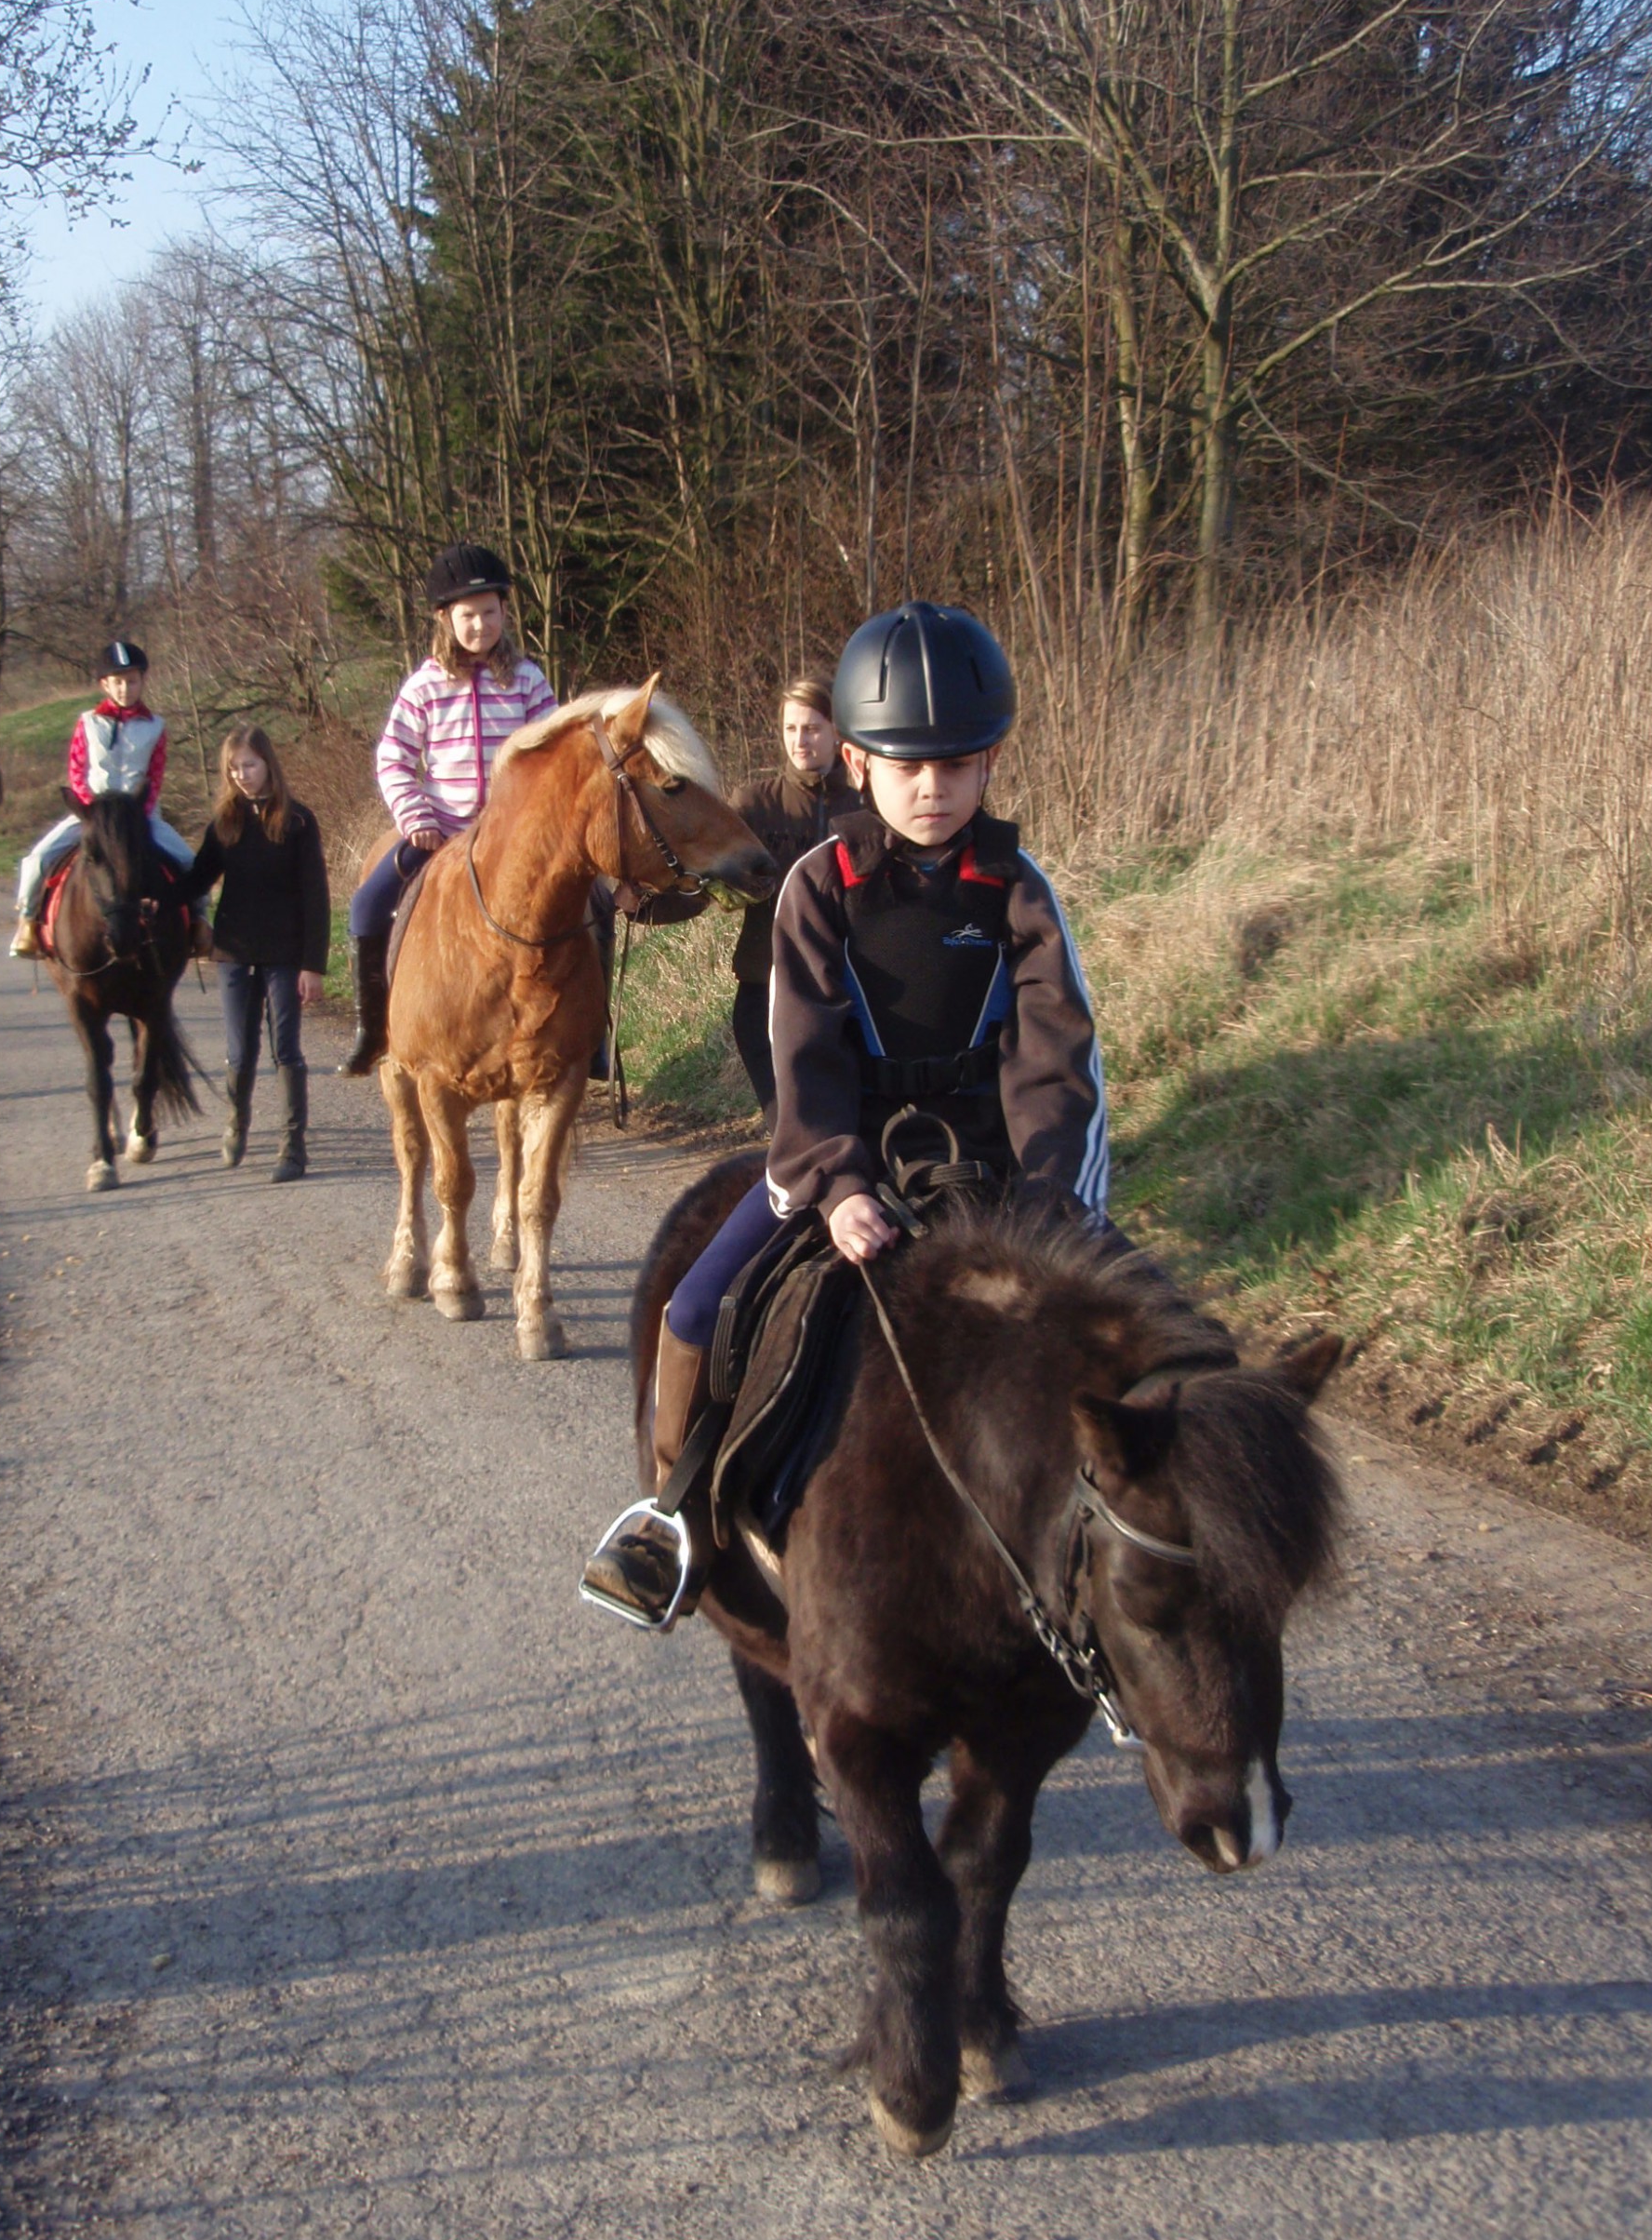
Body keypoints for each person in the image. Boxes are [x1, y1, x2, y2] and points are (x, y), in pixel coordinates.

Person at [581, 598, 1110, 1628]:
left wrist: (1049, 1203)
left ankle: (1138, 1581)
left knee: (1135, 1331)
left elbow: (1059, 1061)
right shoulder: (818, 886)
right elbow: (802, 1048)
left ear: (991, 761)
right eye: (907, 764)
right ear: (859, 763)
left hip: (999, 1167)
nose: (932, 787)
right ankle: (673, 1518)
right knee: (693, 1307)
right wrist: (838, 1184)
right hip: (840, 1150)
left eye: (956, 764)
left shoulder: (1021, 890)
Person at [344, 542, 556, 1074]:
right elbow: (393, 759)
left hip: (515, 841)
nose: (481, 625)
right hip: (440, 835)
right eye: (468, 615)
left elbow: (552, 755)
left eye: (490, 612)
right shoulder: (425, 687)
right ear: (445, 618)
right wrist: (417, 818)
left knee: (593, 908)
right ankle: (374, 1030)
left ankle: (591, 1041)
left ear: (504, 613)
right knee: (367, 907)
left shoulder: (527, 680)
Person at [184, 726, 331, 1182]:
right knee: (238, 1050)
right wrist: (158, 898)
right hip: (234, 951)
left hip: (285, 954)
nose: (242, 775)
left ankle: (293, 1147)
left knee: (285, 1049)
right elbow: (196, 880)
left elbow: (317, 898)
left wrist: (313, 965)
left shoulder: (299, 822)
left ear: (269, 763)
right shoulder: (224, 824)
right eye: (233, 768)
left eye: (249, 765)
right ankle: (236, 1124)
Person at [726, 676, 861, 1117]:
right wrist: (644, 900)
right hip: (765, 993)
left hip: (853, 998)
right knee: (790, 1129)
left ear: (837, 730)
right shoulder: (754, 806)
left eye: (812, 728)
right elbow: (706, 886)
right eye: (790, 729)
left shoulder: (868, 806)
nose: (799, 741)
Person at [10, 640, 197, 958]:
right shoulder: (88, 723)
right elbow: (76, 770)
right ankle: (27, 922)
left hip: (142, 816)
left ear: (142, 682)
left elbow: (154, 776)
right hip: (92, 815)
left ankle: (200, 925)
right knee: (37, 859)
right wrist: (94, 813)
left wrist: (137, 815)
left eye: (132, 681)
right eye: (119, 682)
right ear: (105, 685)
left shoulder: (156, 727)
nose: (126, 688)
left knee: (188, 861)